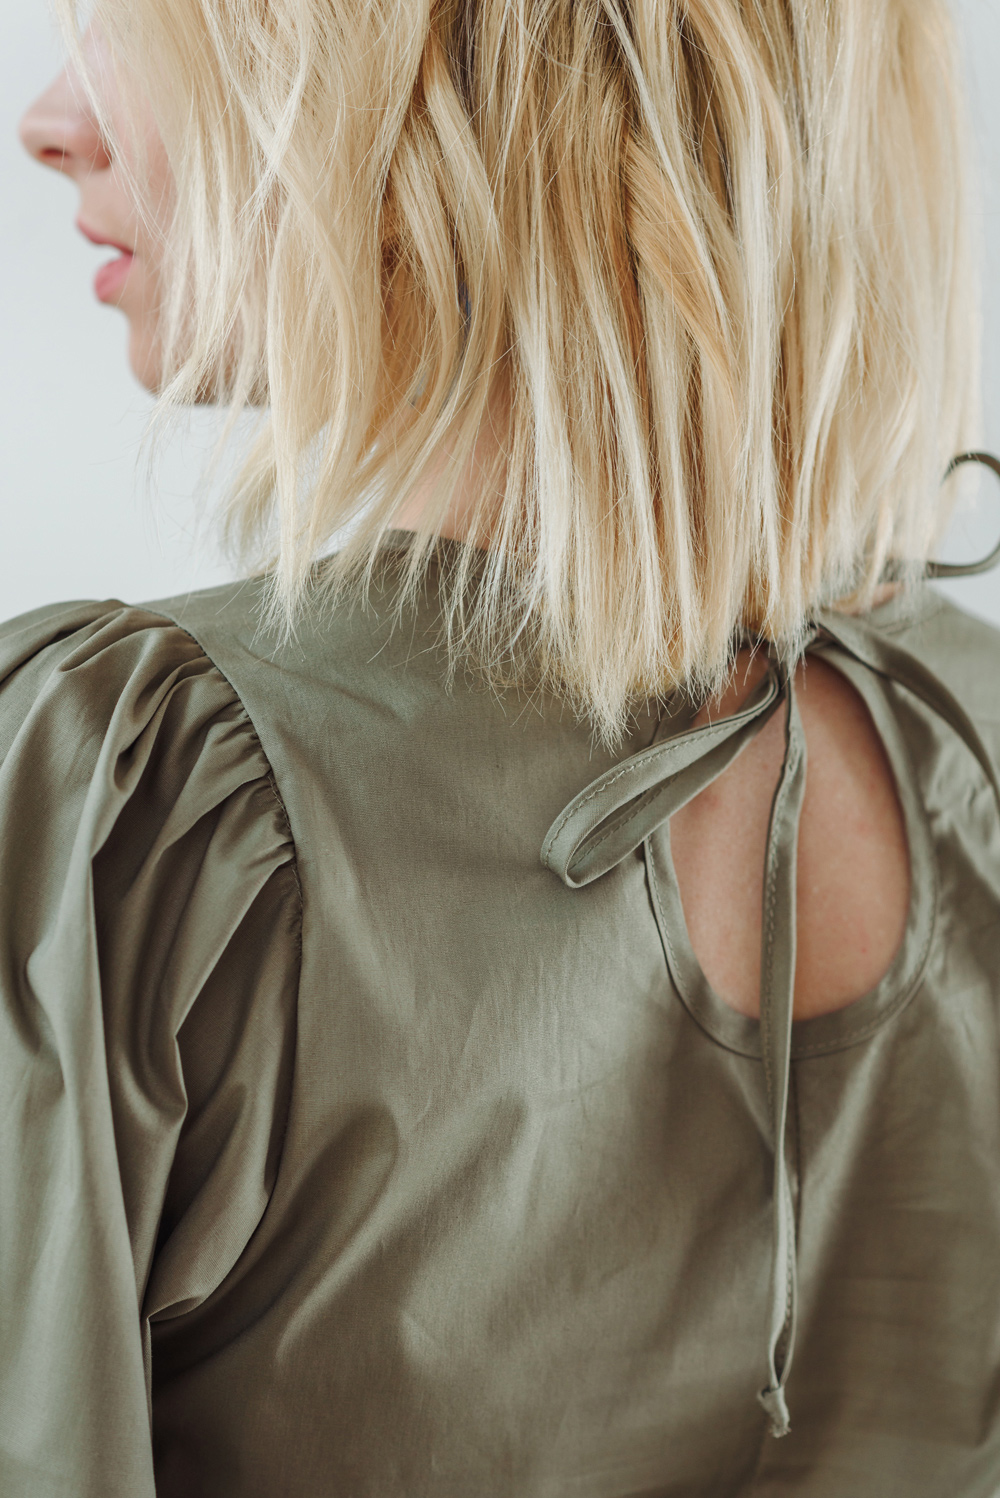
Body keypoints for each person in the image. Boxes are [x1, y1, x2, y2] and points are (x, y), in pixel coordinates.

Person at [5, 1, 1000, 1493]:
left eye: (150, 28)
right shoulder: (972, 733)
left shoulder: (130, 797)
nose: (50, 116)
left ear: (441, 100)